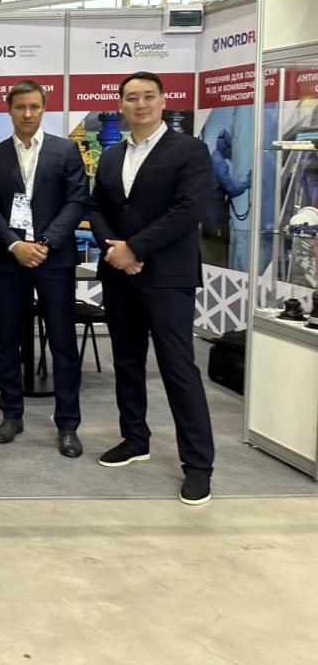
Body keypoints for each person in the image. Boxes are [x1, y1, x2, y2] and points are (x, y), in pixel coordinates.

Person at [88, 70, 216, 505]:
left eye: (147, 96)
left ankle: (197, 465)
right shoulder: (111, 156)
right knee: (127, 361)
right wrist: (114, 248)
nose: (139, 104)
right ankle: (134, 439)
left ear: (162, 101)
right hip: (119, 275)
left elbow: (188, 209)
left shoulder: (189, 150)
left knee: (178, 368)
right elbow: (97, 206)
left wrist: (135, 248)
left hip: (166, 278)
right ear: (120, 105)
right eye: (131, 97)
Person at [0, 80, 89, 457]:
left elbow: (77, 201)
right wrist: (16, 245)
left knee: (62, 341)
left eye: (34, 107)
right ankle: (11, 415)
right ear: (9, 110)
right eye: (20, 107)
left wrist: (44, 243)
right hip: (10, 259)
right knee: (7, 340)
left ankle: (68, 424)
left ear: (44, 108)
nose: (27, 114)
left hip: (53, 259)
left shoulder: (65, 150)